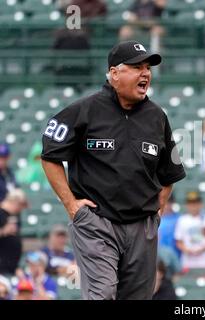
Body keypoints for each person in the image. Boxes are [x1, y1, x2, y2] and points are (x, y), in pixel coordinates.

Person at [41, 40, 186, 300]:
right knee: (103, 294)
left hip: (141, 226)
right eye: (137, 67)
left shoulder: (157, 117)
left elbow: (169, 173)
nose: (145, 73)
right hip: (97, 221)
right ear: (114, 73)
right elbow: (50, 155)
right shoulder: (84, 110)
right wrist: (71, 205)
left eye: (148, 68)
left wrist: (156, 214)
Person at [174, 191, 205, 271]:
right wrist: (188, 250)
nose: (193, 206)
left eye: (195, 203)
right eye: (190, 203)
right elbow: (178, 241)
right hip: (187, 261)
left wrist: (201, 249)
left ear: (200, 204)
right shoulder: (182, 220)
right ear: (187, 205)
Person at [0, 188, 28, 275]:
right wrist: (4, 231)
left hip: (9, 268)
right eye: (21, 205)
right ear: (15, 201)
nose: (21, 209)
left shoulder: (11, 216)